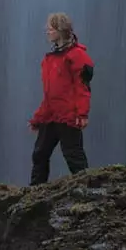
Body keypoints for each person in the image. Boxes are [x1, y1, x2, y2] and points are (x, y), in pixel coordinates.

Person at [28, 12, 93, 185]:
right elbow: (50, 94)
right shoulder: (51, 58)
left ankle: (88, 189)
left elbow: (82, 86)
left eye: (50, 28)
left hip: (68, 115)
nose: (47, 32)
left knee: (73, 155)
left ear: (60, 30)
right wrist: (38, 118)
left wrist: (82, 114)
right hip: (51, 114)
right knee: (40, 153)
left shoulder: (77, 56)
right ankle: (35, 191)